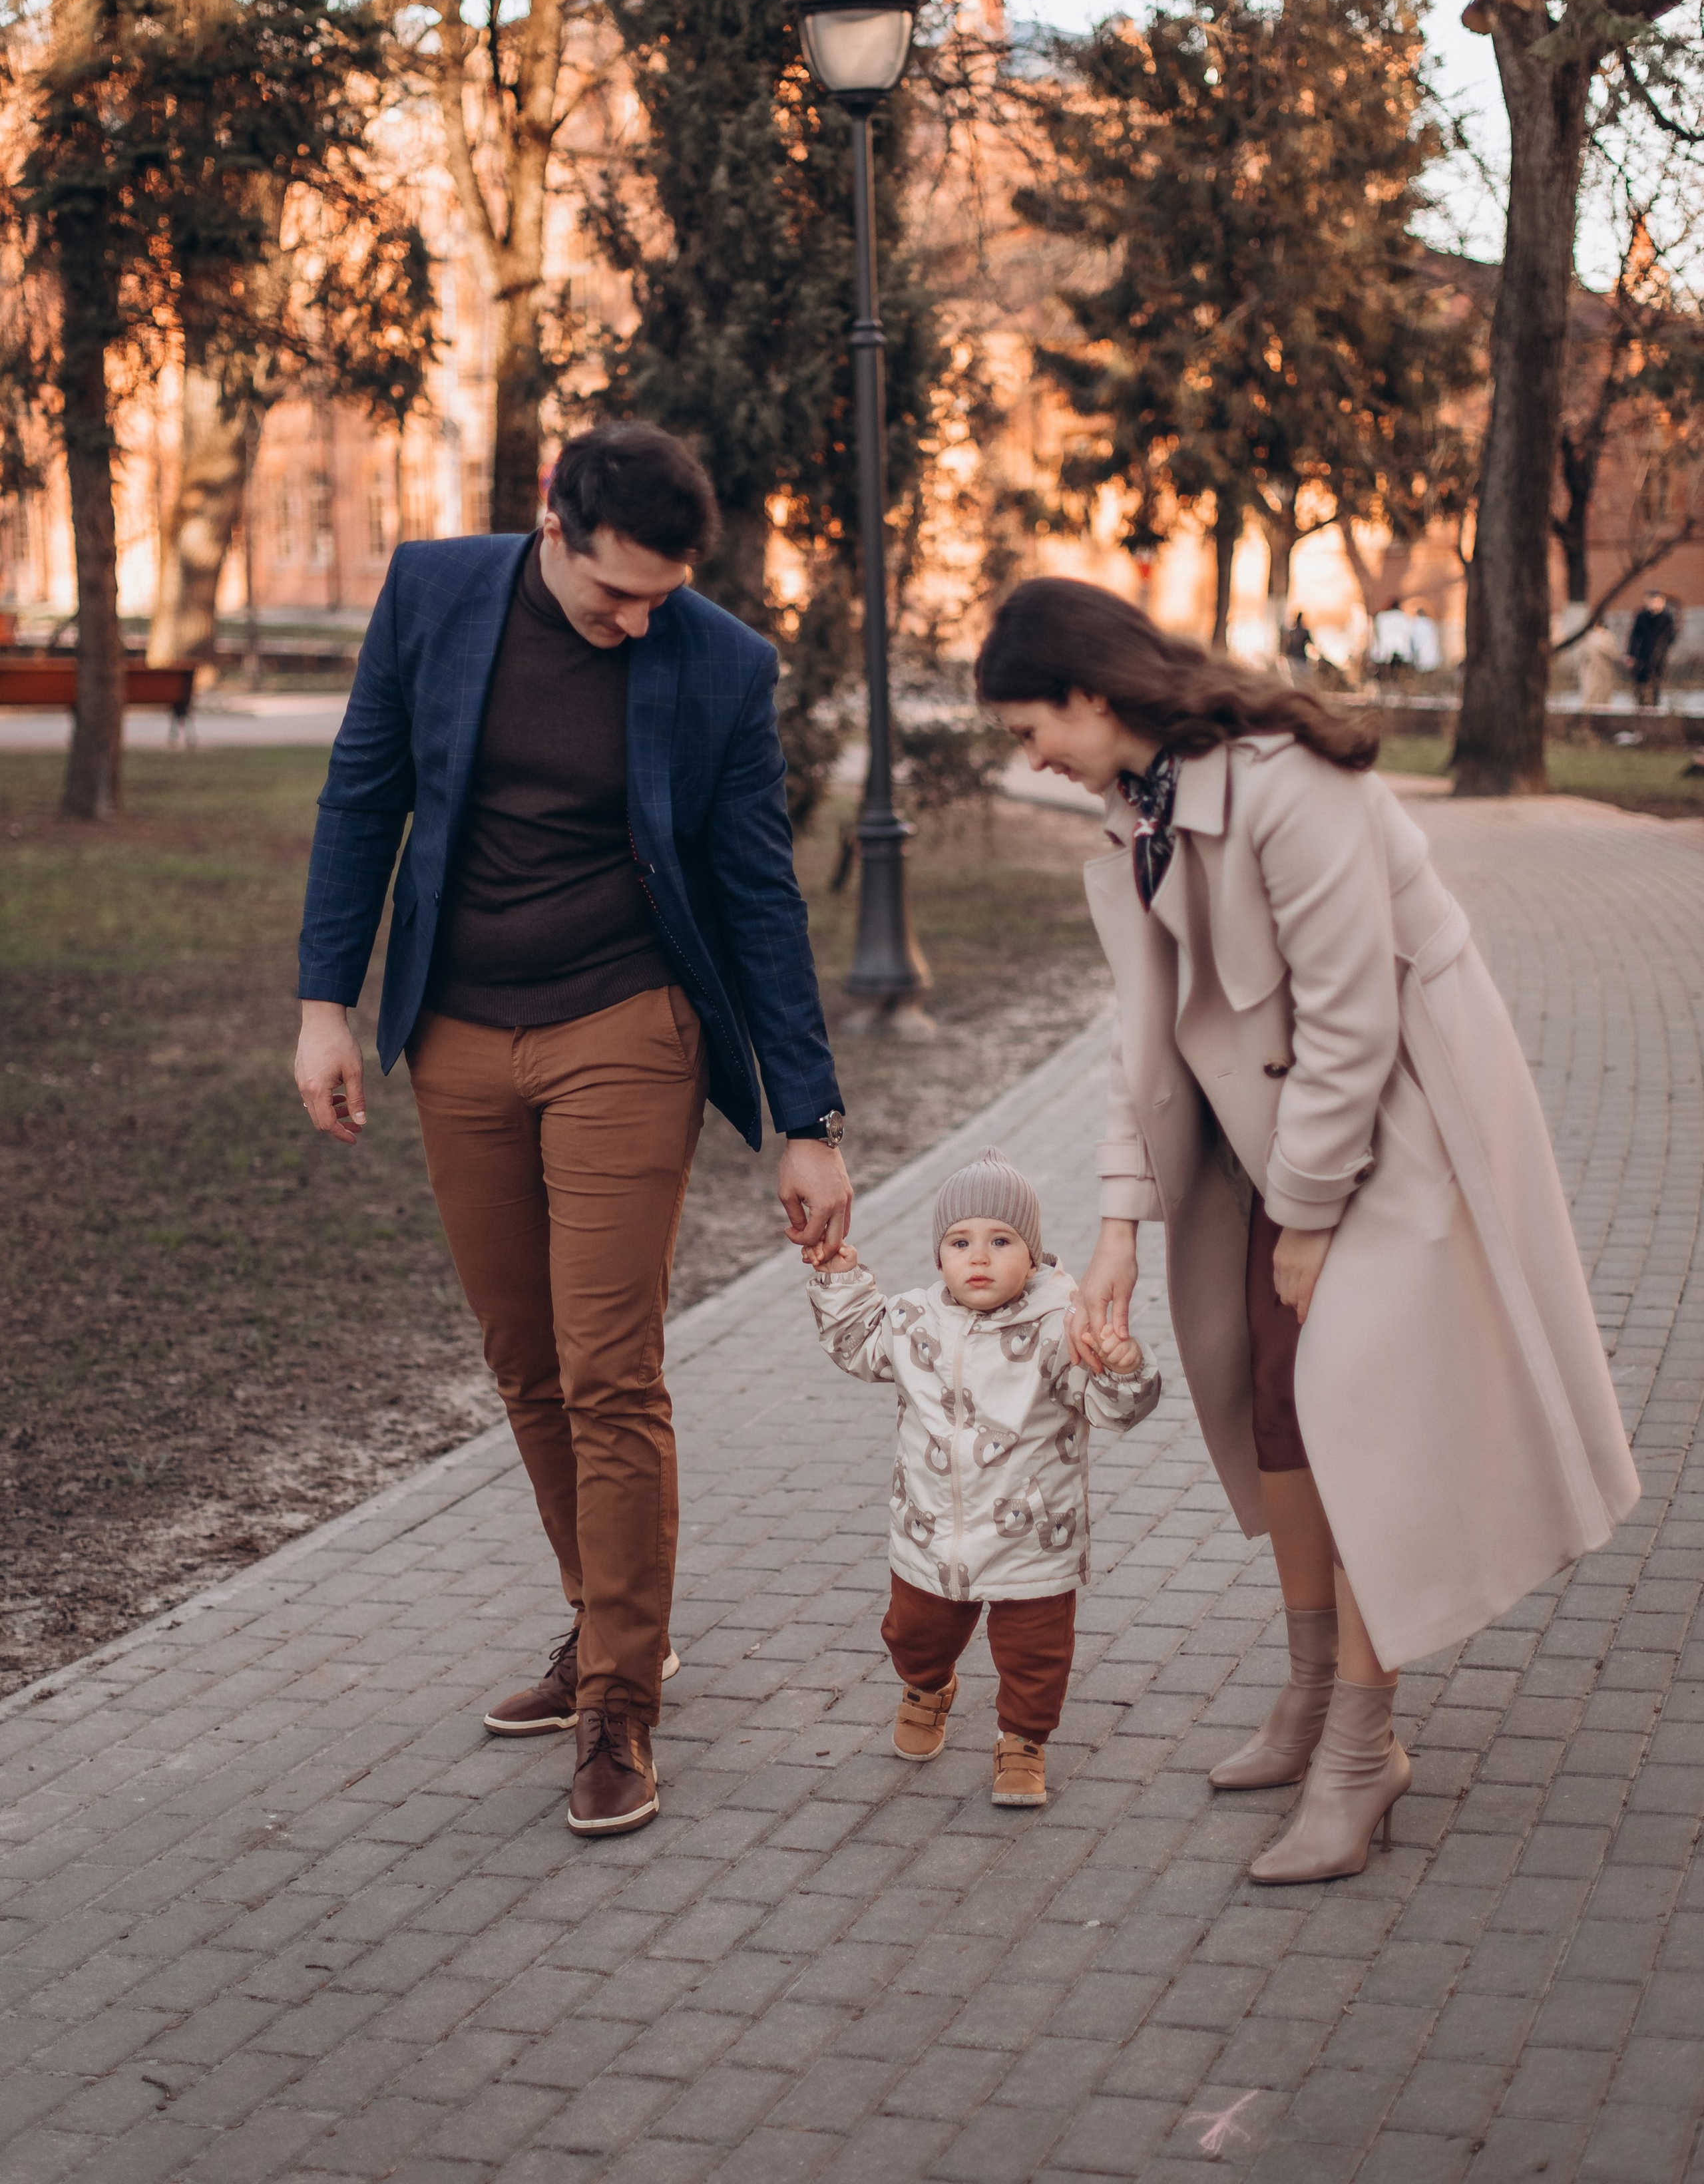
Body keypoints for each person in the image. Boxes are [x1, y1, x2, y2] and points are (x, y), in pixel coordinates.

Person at [976, 578, 1639, 1885]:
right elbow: (1141, 1041)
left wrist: (1308, 1212)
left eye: (1029, 727)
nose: (1029, 757)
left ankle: (1361, 1747)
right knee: (1271, 1400)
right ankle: (1310, 1682)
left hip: (1395, 1117)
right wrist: (1116, 1231)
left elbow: (1349, 1017)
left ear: (1091, 693)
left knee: (1354, 1415)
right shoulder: (1139, 812)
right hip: (1262, 1129)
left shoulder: (1288, 781)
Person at [295, 423, 852, 1840]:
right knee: (523, 1358)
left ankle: (618, 1700)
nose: (638, 622)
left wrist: (808, 1119)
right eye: (616, 594)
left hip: (626, 1025)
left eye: (665, 596)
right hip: (459, 1032)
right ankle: (604, 1621)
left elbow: (758, 894)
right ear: (552, 529)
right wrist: (322, 1005)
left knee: (609, 1367)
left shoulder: (719, 663)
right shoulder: (432, 594)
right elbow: (363, 794)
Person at [806, 1146, 1159, 1808]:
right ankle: (927, 1684)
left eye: (1001, 1240)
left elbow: (1115, 1410)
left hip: (1034, 1538)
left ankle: (1023, 1739)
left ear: (1033, 1254)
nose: (979, 1257)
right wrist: (840, 1278)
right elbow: (858, 1343)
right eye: (960, 1241)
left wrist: (1122, 1366)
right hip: (932, 1532)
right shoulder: (914, 1321)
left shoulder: (1063, 1324)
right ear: (939, 1255)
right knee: (914, 1634)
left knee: (1036, 1654)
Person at [1627, 592, 1679, 708]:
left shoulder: (1666, 618)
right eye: (1652, 601)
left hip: (1659, 655)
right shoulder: (1642, 616)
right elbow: (1635, 636)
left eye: (1657, 601)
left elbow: (1671, 636)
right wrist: (1631, 655)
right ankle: (1641, 704)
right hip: (1642, 654)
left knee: (1656, 680)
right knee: (1641, 680)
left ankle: (1654, 704)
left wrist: (1664, 649)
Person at [1576, 621, 1622, 709]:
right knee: (1591, 691)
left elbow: (1613, 653)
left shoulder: (1607, 636)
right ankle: (1588, 712)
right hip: (1591, 671)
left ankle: (1603, 712)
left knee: (1603, 693)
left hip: (1604, 671)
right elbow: (1582, 654)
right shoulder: (1588, 636)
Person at [1404, 602, 1441, 673]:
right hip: (1430, 651)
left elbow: (1413, 638)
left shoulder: (1416, 624)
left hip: (1420, 651)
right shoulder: (1430, 623)